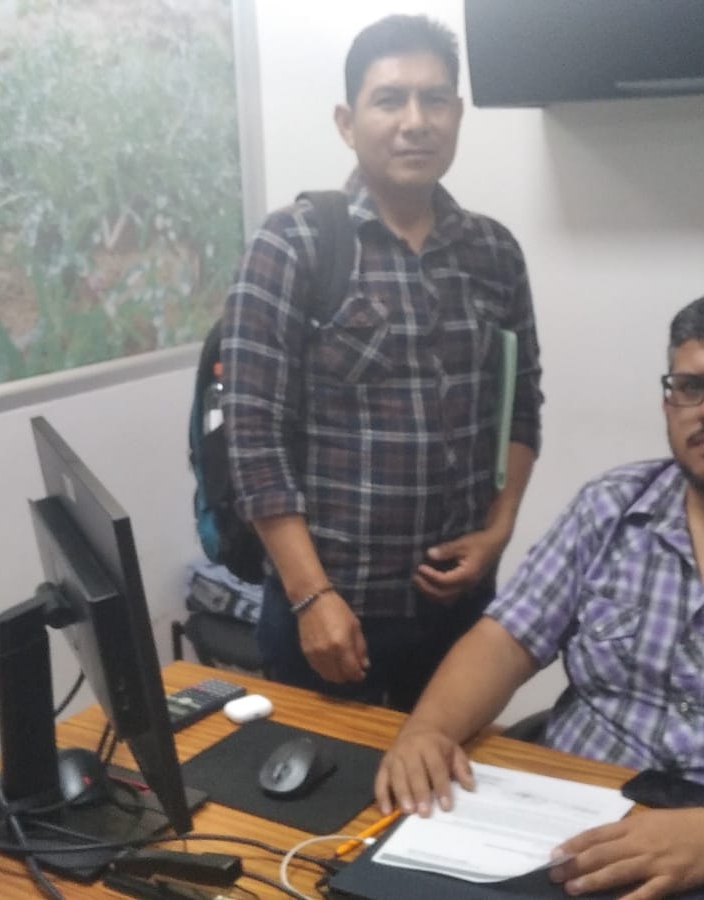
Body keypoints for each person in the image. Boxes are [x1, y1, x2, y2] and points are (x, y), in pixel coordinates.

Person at [374, 292, 704, 897]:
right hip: (566, 814)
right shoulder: (611, 504)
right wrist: (427, 730)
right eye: (690, 387)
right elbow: (504, 641)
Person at [220, 14, 543, 712]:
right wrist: (312, 597)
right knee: (325, 781)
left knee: (447, 775)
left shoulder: (494, 253)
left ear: (458, 114)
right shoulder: (293, 245)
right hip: (333, 613)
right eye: (390, 99)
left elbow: (521, 406)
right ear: (348, 121)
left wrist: (499, 529)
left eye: (435, 100)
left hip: (460, 609)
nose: (415, 122)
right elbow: (253, 440)